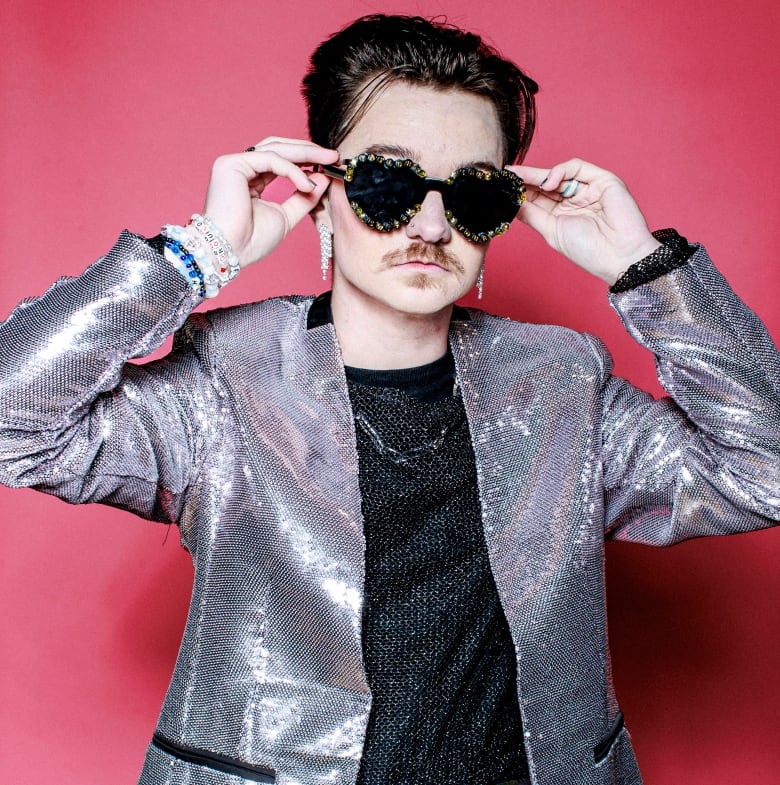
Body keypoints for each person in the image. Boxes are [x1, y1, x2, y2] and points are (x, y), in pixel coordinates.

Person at [0, 13, 777, 785]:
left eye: (473, 195)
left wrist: (645, 269)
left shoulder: (561, 381)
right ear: (323, 189)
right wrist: (198, 254)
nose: (432, 225)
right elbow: (13, 423)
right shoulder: (225, 380)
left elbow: (764, 473)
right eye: (387, 183)